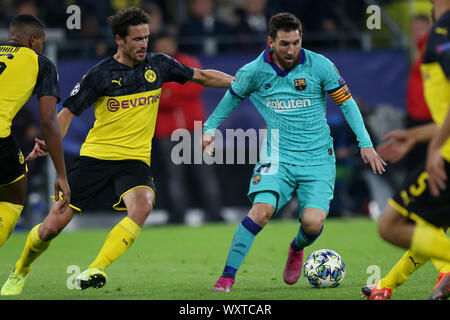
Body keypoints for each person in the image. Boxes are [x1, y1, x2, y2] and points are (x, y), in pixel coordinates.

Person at [0, 7, 233, 296]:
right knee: (50, 228)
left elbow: (201, 76)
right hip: (96, 157)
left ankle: (95, 268)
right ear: (119, 40)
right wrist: (51, 141)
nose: (143, 44)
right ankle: (20, 270)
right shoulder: (99, 75)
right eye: (137, 39)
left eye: (146, 38)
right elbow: (67, 113)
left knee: (144, 203)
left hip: (134, 161)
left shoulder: (158, 65)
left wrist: (238, 83)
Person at [201, 12, 386, 292]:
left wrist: (365, 144)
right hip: (278, 158)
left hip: (317, 158)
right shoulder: (254, 71)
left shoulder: (320, 65)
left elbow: (347, 104)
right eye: (285, 43)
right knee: (261, 212)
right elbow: (231, 99)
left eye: (296, 43)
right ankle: (227, 276)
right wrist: (210, 127)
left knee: (312, 224)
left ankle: (297, 246)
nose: (291, 50)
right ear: (271, 42)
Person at [372, 0, 450, 300]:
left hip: (445, 157)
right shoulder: (437, 34)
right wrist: (417, 136)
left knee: (392, 225)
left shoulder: (443, 31)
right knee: (427, 225)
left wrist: (435, 148)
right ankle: (387, 286)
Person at [0, 14, 70, 249]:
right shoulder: (41, 62)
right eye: (41, 42)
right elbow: (49, 121)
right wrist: (61, 175)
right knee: (14, 195)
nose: (41, 47)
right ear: (33, 40)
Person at [152, 33, 224, 224]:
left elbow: (196, 87)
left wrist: (168, 92)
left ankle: (214, 213)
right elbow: (154, 99)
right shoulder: (151, 68)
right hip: (168, 132)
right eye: (161, 44)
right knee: (174, 177)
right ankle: (178, 215)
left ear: (174, 43)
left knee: (205, 173)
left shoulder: (188, 61)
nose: (165, 47)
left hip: (195, 129)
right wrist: (176, 89)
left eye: (167, 42)